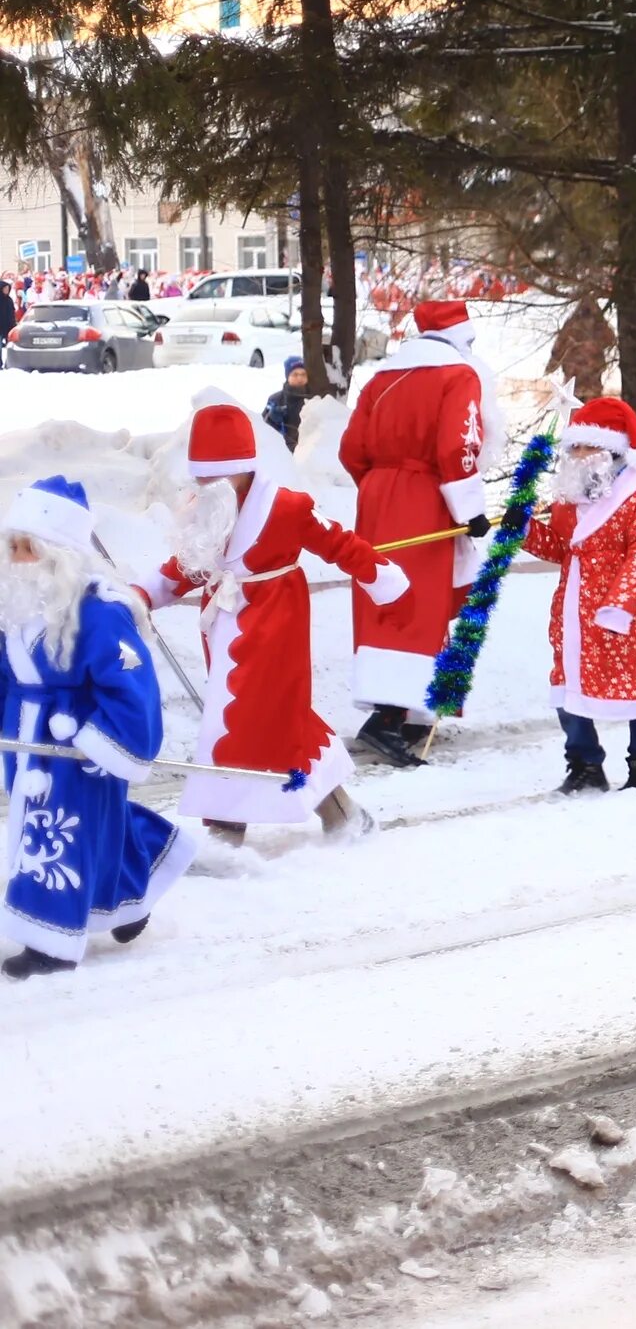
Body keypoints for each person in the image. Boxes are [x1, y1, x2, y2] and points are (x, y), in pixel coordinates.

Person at [141, 403, 406, 844]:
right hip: (226, 631)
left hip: (275, 626)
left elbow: (337, 542)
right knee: (278, 722)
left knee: (244, 721)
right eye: (200, 476)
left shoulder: (285, 507)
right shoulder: (211, 512)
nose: (204, 485)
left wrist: (380, 576)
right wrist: (143, 592)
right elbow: (187, 566)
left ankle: (226, 830)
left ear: (241, 469)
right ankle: (342, 814)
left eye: (214, 475)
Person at [1, 476, 194, 978]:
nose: (17, 559)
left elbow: (132, 686)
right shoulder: (17, 612)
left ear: (59, 553)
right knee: (98, 831)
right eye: (12, 546)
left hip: (76, 747)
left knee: (57, 833)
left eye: (28, 548)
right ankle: (131, 894)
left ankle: (51, 941)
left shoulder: (100, 614)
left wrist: (97, 740)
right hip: (25, 742)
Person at [337, 299, 503, 766]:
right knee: (420, 602)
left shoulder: (383, 376)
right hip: (425, 499)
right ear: (461, 338)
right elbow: (458, 447)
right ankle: (388, 719)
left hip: (377, 497)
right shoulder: (458, 375)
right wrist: (468, 509)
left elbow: (351, 449)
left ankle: (403, 708)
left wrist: (378, 486)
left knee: (384, 600)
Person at [522, 398, 636, 793]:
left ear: (613, 450)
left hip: (630, 617)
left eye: (587, 447)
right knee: (568, 688)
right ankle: (584, 764)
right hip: (574, 614)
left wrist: (621, 605)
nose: (578, 456)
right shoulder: (570, 499)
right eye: (574, 447)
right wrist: (524, 530)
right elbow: (562, 547)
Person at [548, 295, 616, 403]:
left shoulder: (571, 325)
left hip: (576, 382)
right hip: (590, 383)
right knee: (591, 413)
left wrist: (552, 365)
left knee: (578, 414)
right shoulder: (599, 326)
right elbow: (611, 340)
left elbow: (558, 347)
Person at [263, 355, 312, 452]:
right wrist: (272, 420)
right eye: (295, 374)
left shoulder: (313, 399)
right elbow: (263, 429)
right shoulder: (276, 399)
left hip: (308, 454)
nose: (299, 378)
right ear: (287, 376)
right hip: (282, 453)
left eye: (303, 374)